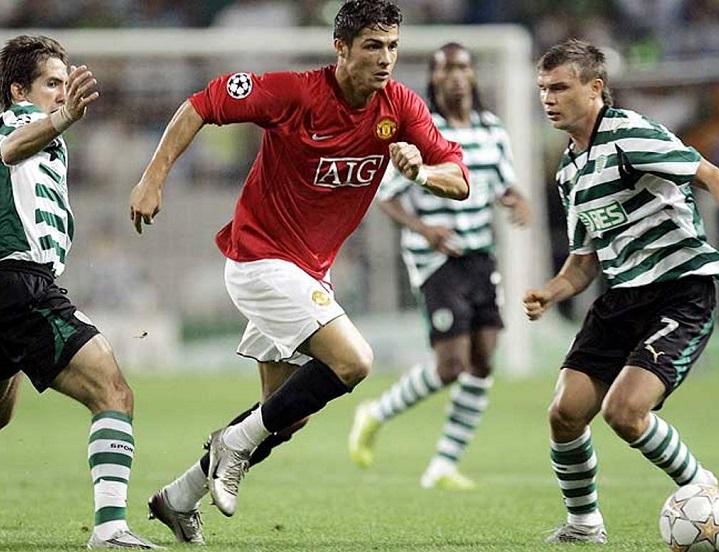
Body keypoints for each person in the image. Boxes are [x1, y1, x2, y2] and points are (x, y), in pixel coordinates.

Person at [129, 0, 469, 545]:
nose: (386, 59)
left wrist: (423, 171)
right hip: (260, 261)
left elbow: (460, 177)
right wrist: (153, 178)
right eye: (372, 46)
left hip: (308, 274)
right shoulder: (294, 93)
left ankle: (179, 496)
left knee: (287, 416)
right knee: (354, 361)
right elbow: (201, 104)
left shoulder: (400, 106)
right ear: (341, 48)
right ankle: (233, 443)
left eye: (393, 46)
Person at [526, 38, 719, 544]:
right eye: (542, 89)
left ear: (595, 88)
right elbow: (583, 263)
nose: (548, 99)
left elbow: (715, 176)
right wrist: (552, 292)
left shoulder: (631, 135)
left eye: (560, 87)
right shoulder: (569, 171)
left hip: (680, 289)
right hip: (621, 296)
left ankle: (699, 486)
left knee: (625, 411)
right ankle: (584, 525)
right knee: (565, 413)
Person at [0, 35, 159, 549]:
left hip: (17, 285)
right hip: (19, 285)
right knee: (113, 392)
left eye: (65, 85)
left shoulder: (50, 140)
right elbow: (9, 148)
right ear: (18, 89)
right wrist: (62, 117)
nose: (62, 93)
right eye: (51, 84)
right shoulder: (17, 121)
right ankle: (111, 529)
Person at [348, 42, 530, 490]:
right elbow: (385, 196)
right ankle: (376, 412)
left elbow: (502, 183)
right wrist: (425, 230)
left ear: (472, 76)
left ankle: (444, 464)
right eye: (446, 68)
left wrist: (516, 199)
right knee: (451, 365)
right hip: (435, 261)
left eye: (463, 67)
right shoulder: (423, 134)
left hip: (479, 254)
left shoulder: (492, 129)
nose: (455, 75)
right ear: (433, 78)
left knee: (484, 361)